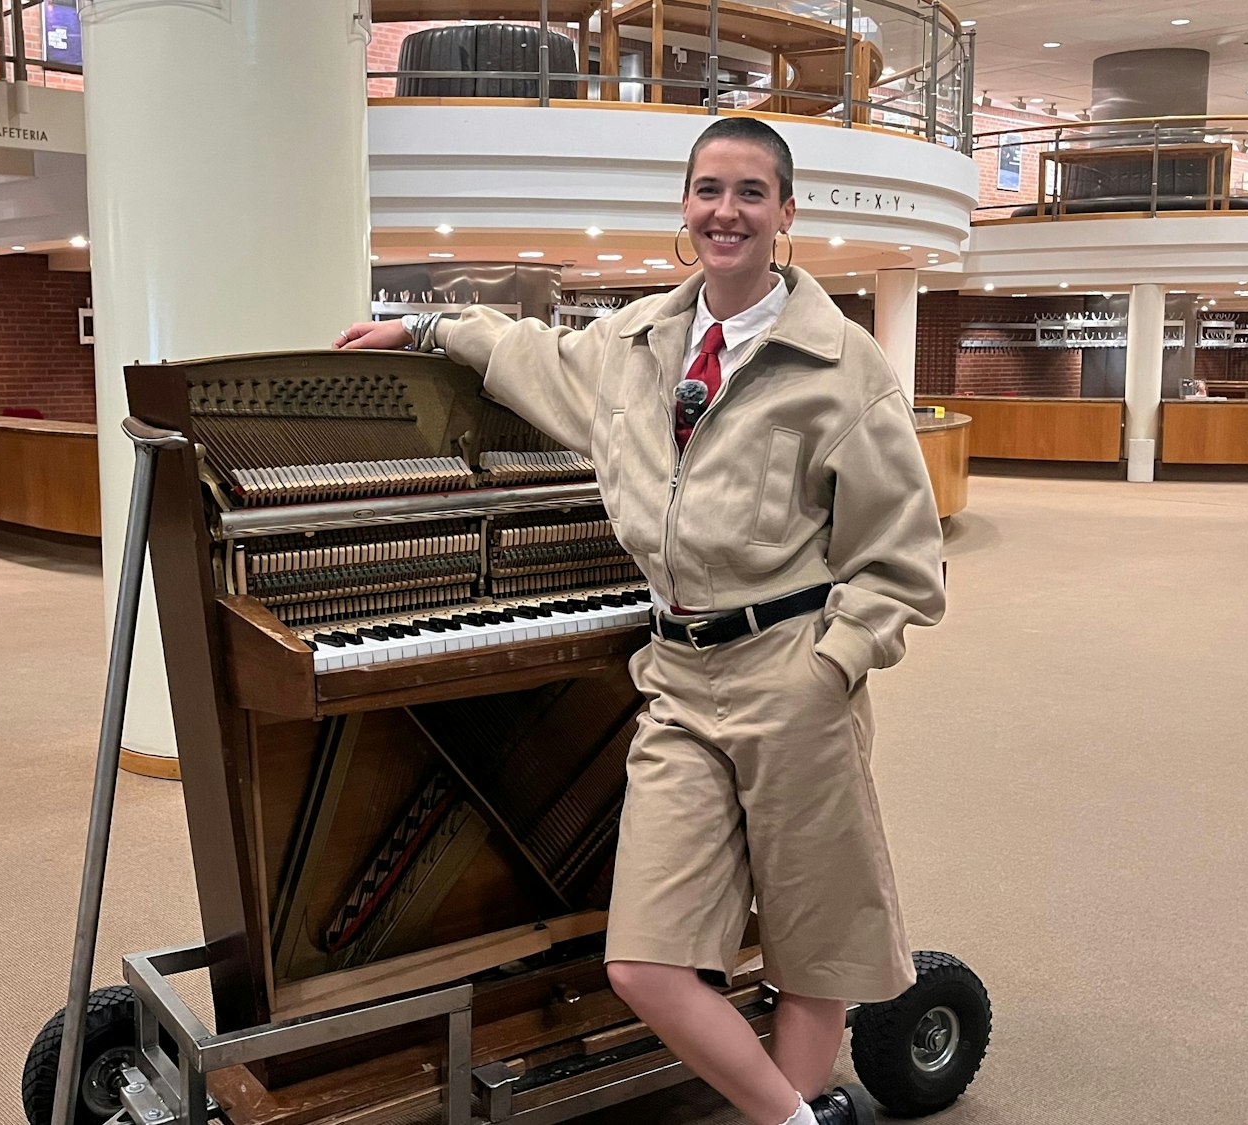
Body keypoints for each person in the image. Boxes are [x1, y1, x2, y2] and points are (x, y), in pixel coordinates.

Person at [333, 117, 945, 1125]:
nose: (725, 212)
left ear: (785, 214)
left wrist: (827, 667)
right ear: (684, 207)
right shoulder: (630, 348)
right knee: (643, 960)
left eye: (750, 193)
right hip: (677, 677)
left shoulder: (845, 369)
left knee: (809, 947)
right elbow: (530, 352)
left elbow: (901, 564)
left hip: (792, 671)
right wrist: (428, 329)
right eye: (708, 190)